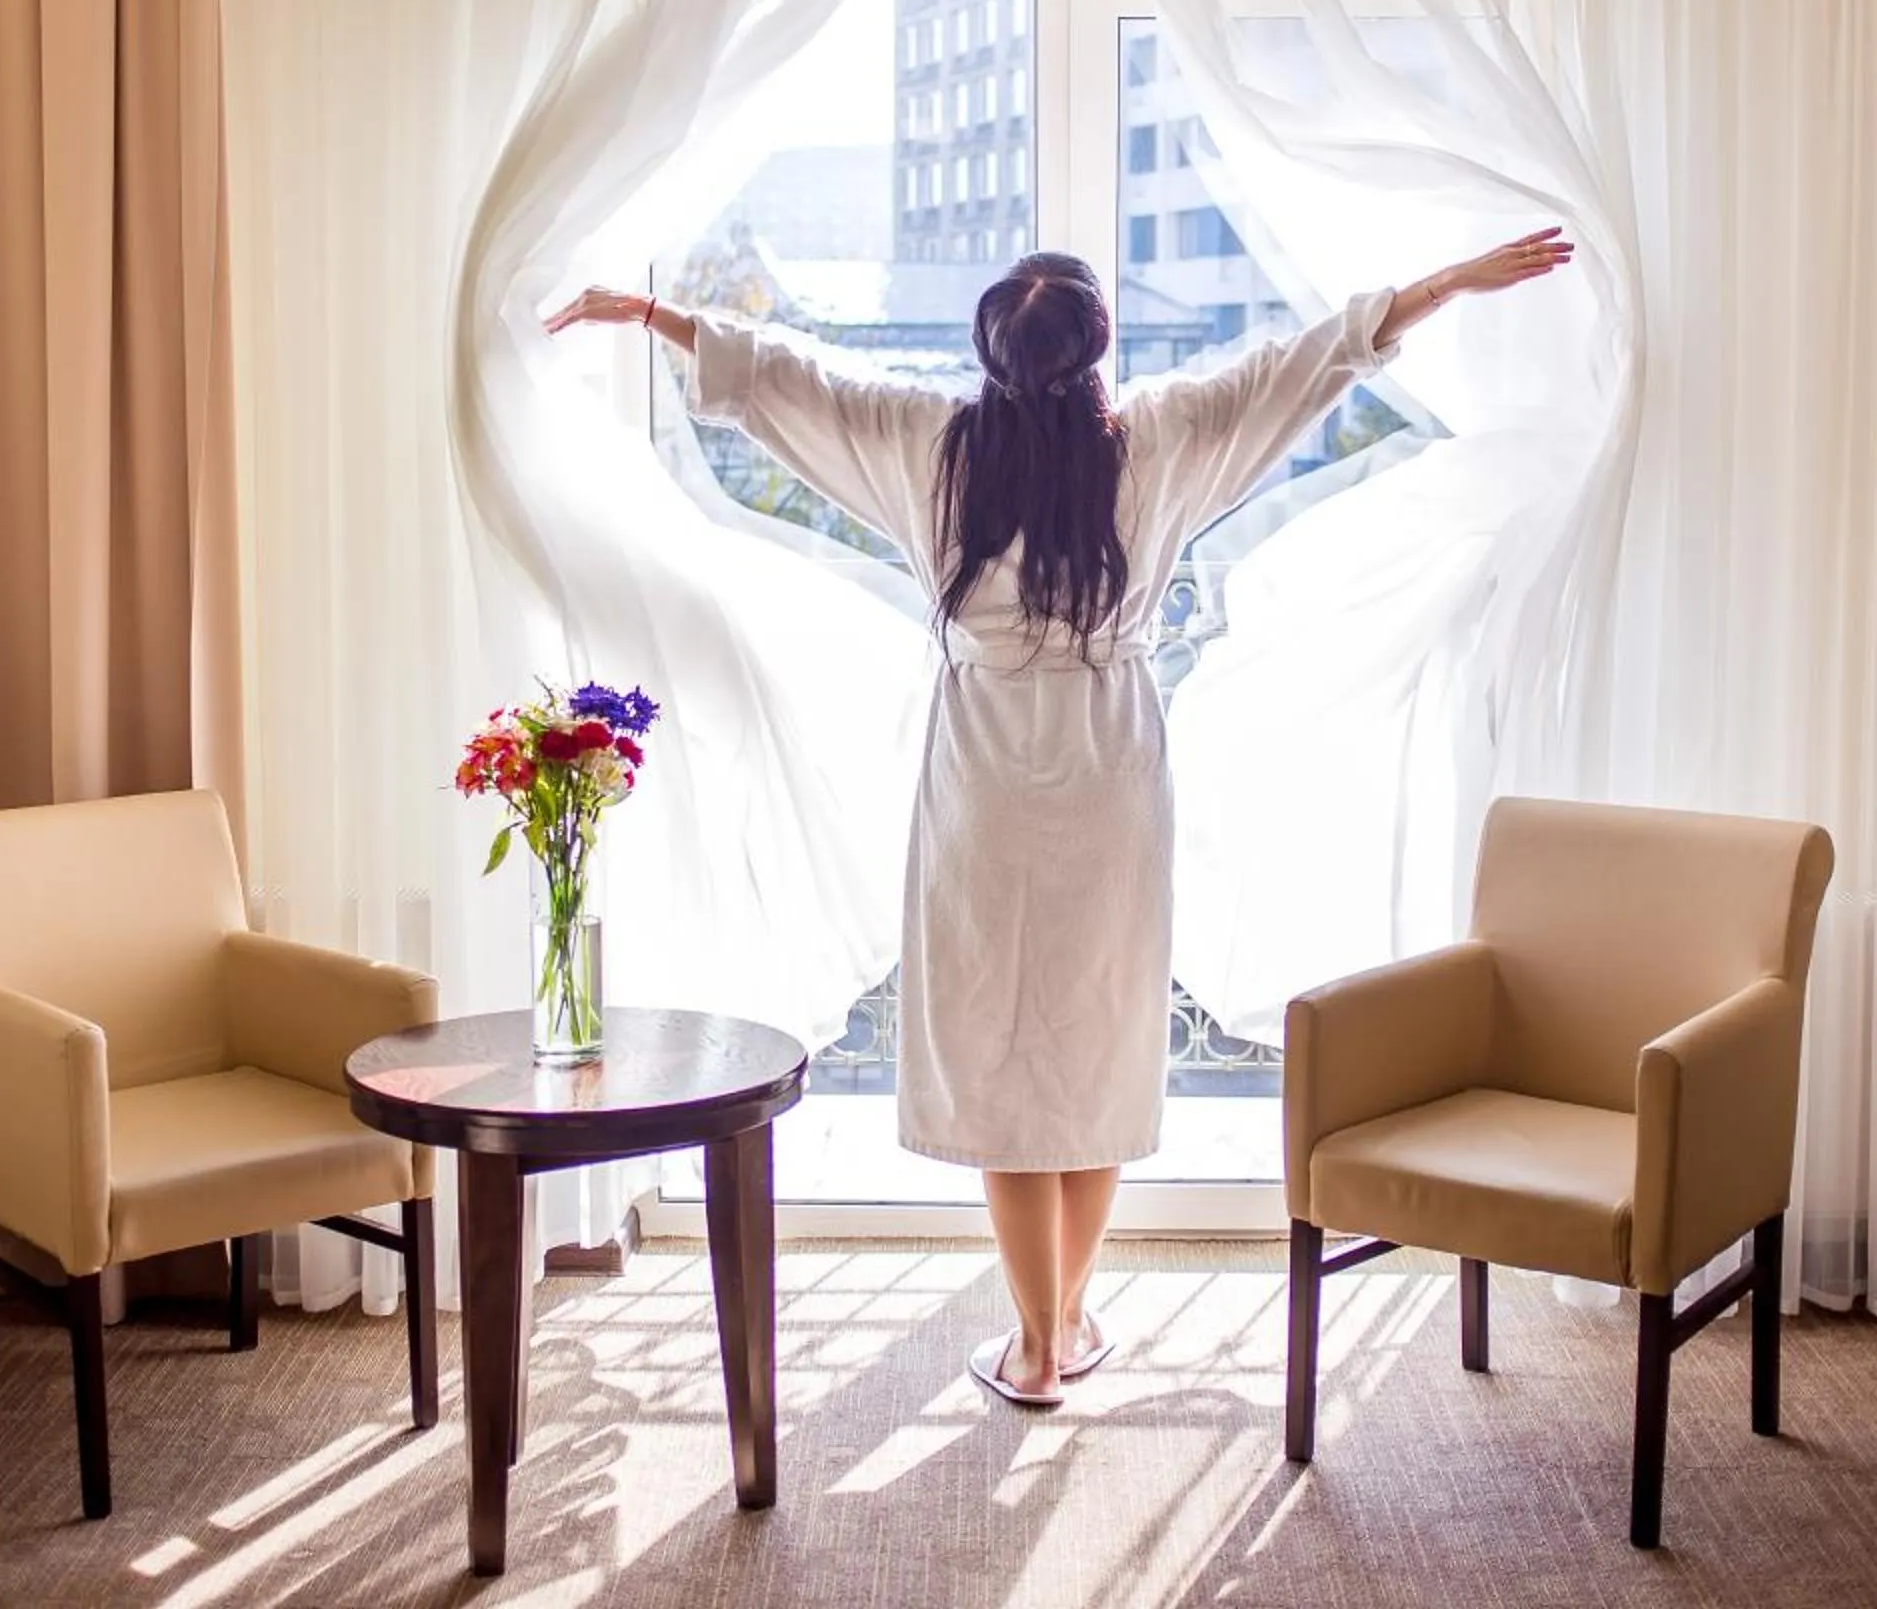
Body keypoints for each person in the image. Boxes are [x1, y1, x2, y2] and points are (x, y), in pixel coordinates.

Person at [544, 228, 1572, 1405]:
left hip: (981, 784)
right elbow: (1304, 366)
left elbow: (793, 383)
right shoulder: (1165, 437)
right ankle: (1061, 1324)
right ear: (1097, 353)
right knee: (1092, 1051)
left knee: (1001, 1061)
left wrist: (657, 317)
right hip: (1107, 780)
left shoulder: (934, 446)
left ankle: (1040, 1336)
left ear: (989, 354)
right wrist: (1436, 278)